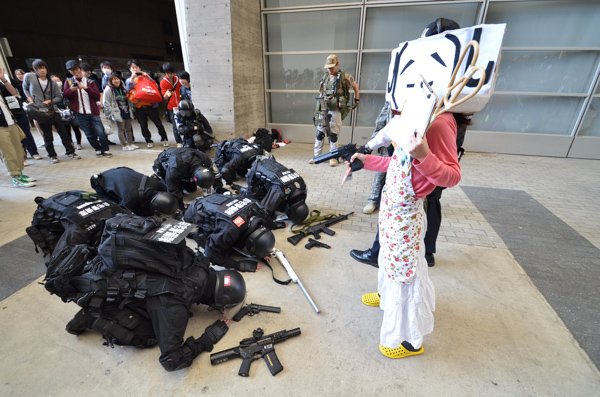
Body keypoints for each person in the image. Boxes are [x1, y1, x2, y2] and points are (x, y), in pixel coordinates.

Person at [348, 17, 464, 360]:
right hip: (392, 209)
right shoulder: (414, 110)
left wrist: (425, 155)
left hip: (408, 214)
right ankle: (385, 298)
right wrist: (365, 160)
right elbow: (398, 165)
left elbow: (452, 176)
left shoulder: (441, 121)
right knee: (392, 262)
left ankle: (407, 339)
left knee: (407, 275)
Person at [184, 193, 280, 272]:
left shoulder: (260, 213)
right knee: (224, 251)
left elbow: (269, 222)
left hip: (216, 199)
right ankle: (199, 235)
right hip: (195, 210)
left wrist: (263, 250)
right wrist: (237, 264)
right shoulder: (231, 229)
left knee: (234, 241)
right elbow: (210, 254)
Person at [22, 59, 80, 164]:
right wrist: (30, 99)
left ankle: (70, 152)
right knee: (47, 135)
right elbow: (25, 88)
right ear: (35, 69)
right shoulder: (29, 77)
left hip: (53, 110)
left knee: (63, 133)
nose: (42, 70)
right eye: (39, 68)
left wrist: (50, 101)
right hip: (40, 111)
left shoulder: (52, 81)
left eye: (44, 68)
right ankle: (52, 155)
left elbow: (59, 97)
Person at [310, 54, 359, 167]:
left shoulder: (344, 77)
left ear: (337, 65)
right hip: (323, 108)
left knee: (333, 134)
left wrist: (356, 101)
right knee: (319, 133)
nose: (329, 69)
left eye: (332, 67)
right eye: (328, 67)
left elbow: (355, 87)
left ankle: (334, 158)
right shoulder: (325, 77)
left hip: (335, 109)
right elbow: (321, 92)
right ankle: (317, 156)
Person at [63, 60, 112, 158]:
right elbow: (65, 95)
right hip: (80, 113)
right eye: (71, 70)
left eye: (76, 69)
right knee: (89, 134)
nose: (74, 71)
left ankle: (105, 149)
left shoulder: (90, 81)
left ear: (80, 69)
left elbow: (97, 94)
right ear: (69, 71)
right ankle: (97, 149)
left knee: (101, 132)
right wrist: (71, 90)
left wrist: (85, 88)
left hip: (93, 112)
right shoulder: (68, 82)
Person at [244, 155, 309, 224]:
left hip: (271, 164)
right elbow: (264, 210)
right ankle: (245, 192)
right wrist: (274, 223)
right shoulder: (280, 190)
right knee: (257, 199)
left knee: (278, 204)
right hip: (255, 170)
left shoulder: (302, 186)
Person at [152, 147, 223, 210]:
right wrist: (181, 207)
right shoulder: (174, 169)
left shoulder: (204, 158)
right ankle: (158, 180)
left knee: (191, 189)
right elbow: (172, 188)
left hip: (184, 166)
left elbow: (216, 173)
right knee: (176, 194)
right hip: (164, 166)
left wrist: (219, 192)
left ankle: (182, 181)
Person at [90, 167, 178, 217]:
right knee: (110, 207)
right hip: (100, 180)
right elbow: (127, 214)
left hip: (123, 171)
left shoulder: (160, 185)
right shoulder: (130, 200)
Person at [0, 72, 38, 187]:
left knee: (18, 149)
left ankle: (20, 173)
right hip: (1, 127)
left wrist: (4, 80)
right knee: (9, 153)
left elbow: (14, 93)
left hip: (11, 122)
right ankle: (15, 177)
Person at [126, 59, 169, 148]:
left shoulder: (146, 77)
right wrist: (132, 78)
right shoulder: (129, 80)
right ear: (129, 69)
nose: (134, 69)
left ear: (140, 68)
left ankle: (164, 139)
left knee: (158, 123)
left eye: (136, 67)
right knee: (143, 125)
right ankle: (148, 140)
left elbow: (155, 87)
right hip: (139, 107)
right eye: (132, 67)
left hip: (151, 106)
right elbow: (127, 90)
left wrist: (148, 77)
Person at [2, 68, 41, 162]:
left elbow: (18, 91)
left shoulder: (7, 79)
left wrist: (20, 98)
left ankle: (33, 152)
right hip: (4, 113)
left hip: (17, 109)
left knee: (25, 131)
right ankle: (22, 155)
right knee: (13, 135)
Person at [103, 72, 137, 150]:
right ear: (111, 80)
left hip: (126, 111)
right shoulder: (108, 89)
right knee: (121, 130)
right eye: (114, 79)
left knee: (128, 129)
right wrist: (113, 113)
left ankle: (131, 143)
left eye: (117, 78)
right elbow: (106, 103)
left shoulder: (123, 88)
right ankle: (124, 145)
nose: (116, 80)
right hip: (117, 112)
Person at [160, 62, 183, 147]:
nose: (169, 75)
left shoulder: (178, 79)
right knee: (175, 125)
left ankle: (186, 139)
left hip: (181, 105)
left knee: (185, 123)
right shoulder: (163, 82)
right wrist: (167, 93)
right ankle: (179, 142)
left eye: (170, 72)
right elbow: (165, 98)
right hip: (172, 107)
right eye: (167, 73)